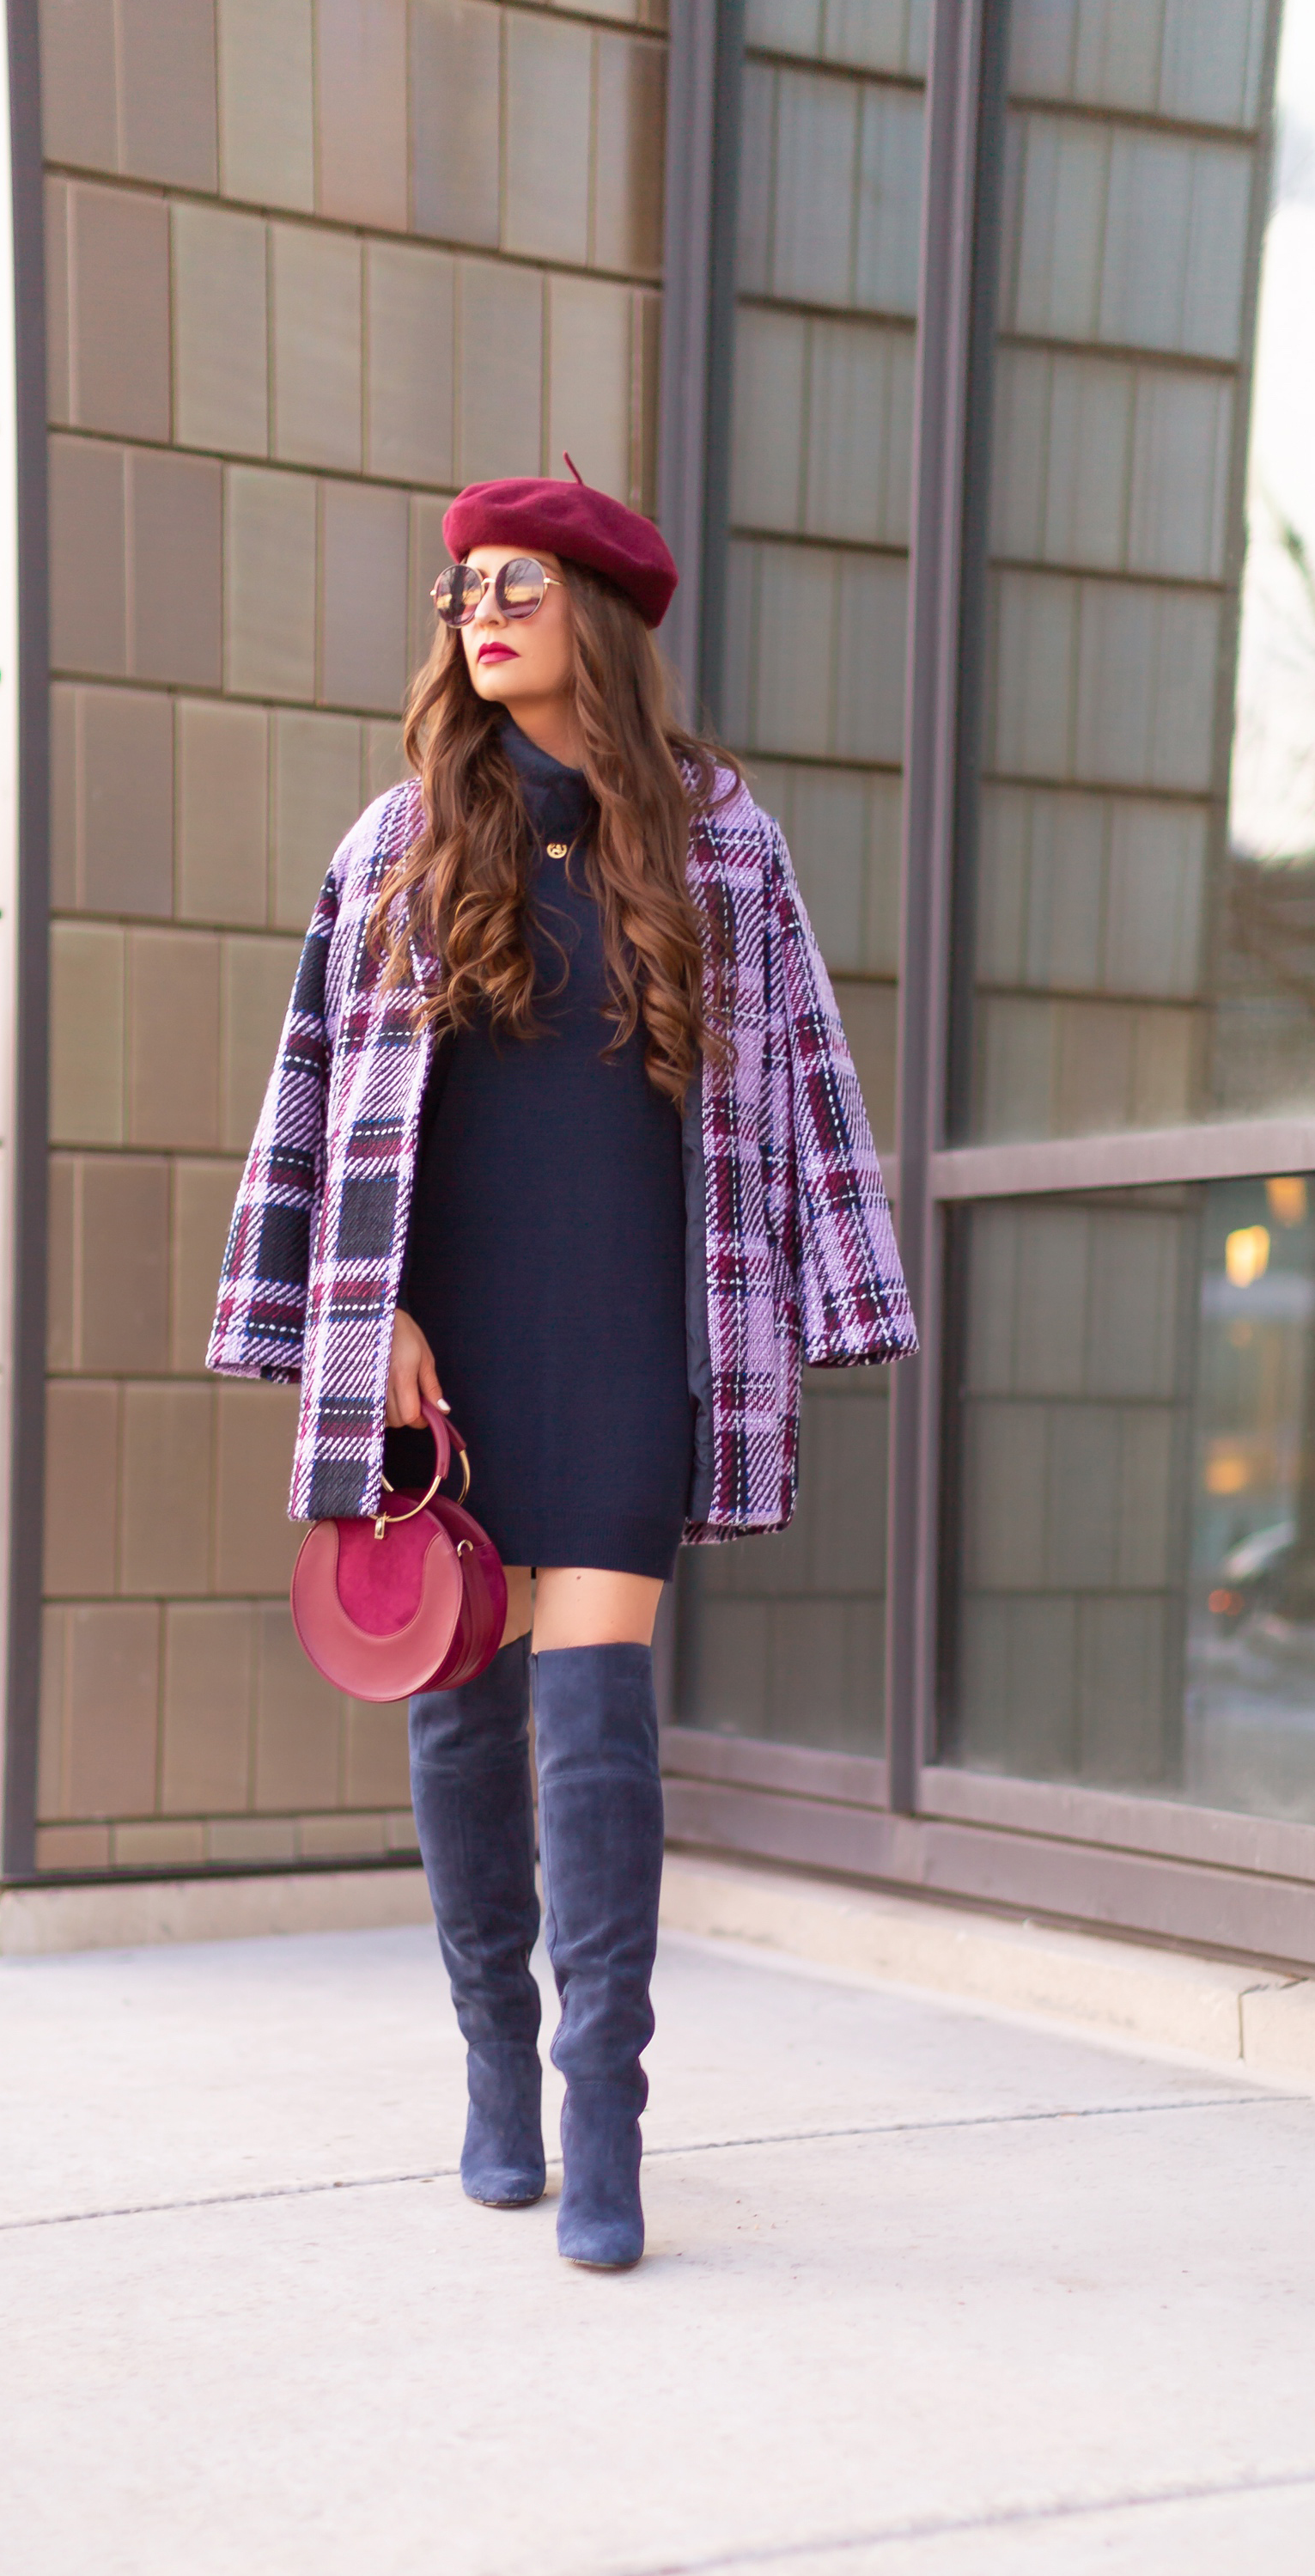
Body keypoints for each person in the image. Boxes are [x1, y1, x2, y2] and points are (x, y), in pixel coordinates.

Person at [208, 466, 916, 2269]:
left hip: (629, 1331)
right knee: (459, 1705)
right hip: (446, 1340)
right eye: (460, 593)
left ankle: (608, 2113)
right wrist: (358, 1331)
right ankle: (495, 2078)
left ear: (594, 609)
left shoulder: (718, 837)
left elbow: (804, 1091)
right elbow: (316, 1096)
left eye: (513, 584)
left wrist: (831, 1295)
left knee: (596, 1720)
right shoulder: (393, 842)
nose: (477, 615)